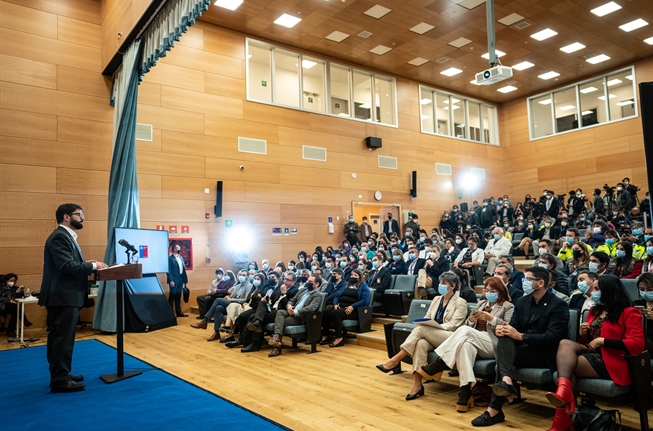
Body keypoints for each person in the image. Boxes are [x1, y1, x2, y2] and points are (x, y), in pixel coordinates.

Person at [471, 266, 569, 427]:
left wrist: (521, 336)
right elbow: (514, 327)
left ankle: (495, 408)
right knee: (503, 337)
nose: (523, 282)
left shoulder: (558, 305)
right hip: (522, 350)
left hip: (544, 353)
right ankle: (506, 383)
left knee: (503, 361)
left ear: (541, 283)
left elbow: (552, 338)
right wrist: (504, 329)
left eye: (528, 279)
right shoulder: (523, 301)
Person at [544, 274, 644, 430]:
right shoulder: (594, 311)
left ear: (609, 290)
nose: (593, 292)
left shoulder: (629, 312)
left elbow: (637, 344)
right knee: (564, 343)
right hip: (593, 354)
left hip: (613, 359)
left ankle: (562, 419)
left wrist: (603, 341)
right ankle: (564, 395)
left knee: (565, 370)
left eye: (597, 289)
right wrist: (583, 333)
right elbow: (586, 342)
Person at [39, 203, 108, 393]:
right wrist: (93, 266)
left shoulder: (66, 236)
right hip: (63, 297)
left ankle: (61, 373)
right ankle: (60, 379)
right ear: (66, 217)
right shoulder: (60, 237)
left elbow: (70, 264)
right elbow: (67, 267)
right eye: (79, 214)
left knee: (60, 338)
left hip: (64, 296)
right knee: (62, 339)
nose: (83, 217)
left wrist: (89, 263)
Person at [419, 277, 514, 412]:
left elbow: (508, 328)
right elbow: (467, 326)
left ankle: (440, 363)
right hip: (474, 339)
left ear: (500, 292)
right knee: (464, 346)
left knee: (464, 331)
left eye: (492, 291)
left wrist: (491, 319)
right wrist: (470, 319)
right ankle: (465, 392)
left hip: (493, 342)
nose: (488, 293)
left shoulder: (508, 306)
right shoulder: (481, 303)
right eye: (486, 290)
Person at [375, 271, 468, 401]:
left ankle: (395, 359)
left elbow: (454, 324)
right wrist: (427, 323)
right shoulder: (436, 299)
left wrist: (434, 327)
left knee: (421, 330)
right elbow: (427, 317)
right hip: (433, 335)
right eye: (440, 282)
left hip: (450, 337)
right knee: (420, 344)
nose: (440, 285)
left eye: (444, 283)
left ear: (452, 286)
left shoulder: (461, 302)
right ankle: (417, 385)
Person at [268, 275, 323, 357]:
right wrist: (289, 306)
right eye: (308, 281)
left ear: (317, 284)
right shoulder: (303, 290)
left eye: (311, 282)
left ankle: (277, 347)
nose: (308, 283)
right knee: (280, 312)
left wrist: (296, 312)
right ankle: (277, 339)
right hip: (291, 311)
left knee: (281, 321)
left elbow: (311, 308)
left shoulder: (318, 295)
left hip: (300, 317)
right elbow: (292, 300)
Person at [190, 269, 252, 341]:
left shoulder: (249, 286)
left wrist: (231, 299)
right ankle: (216, 333)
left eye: (244, 275)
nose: (241, 276)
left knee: (218, 300)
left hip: (238, 305)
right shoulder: (238, 286)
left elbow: (245, 299)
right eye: (241, 275)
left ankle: (205, 320)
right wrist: (229, 297)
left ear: (247, 277)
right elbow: (232, 295)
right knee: (218, 308)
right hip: (232, 303)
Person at [320, 269, 370, 347]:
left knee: (335, 314)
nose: (353, 276)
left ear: (360, 277)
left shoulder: (364, 286)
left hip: (354, 310)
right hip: (340, 306)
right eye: (352, 275)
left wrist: (352, 306)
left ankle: (339, 338)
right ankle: (325, 335)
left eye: (355, 275)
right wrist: (335, 304)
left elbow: (365, 301)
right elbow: (336, 296)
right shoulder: (345, 285)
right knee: (326, 312)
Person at [0, 273, 31, 337]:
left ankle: (10, 331)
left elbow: (19, 298)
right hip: (2, 305)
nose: (13, 282)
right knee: (14, 307)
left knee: (15, 312)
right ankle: (24, 320)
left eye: (14, 281)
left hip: (13, 307)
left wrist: (21, 292)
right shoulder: (1, 288)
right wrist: (8, 300)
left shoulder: (15, 288)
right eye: (11, 281)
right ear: (6, 280)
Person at [167, 243, 189, 317]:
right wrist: (170, 280)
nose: (180, 249)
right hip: (174, 280)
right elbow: (168, 270)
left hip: (180, 279)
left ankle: (179, 312)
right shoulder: (170, 258)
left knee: (178, 296)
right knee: (172, 296)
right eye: (178, 248)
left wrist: (184, 281)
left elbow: (183, 269)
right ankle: (170, 312)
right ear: (174, 249)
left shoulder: (181, 258)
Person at [635, 273, 653, 352]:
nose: (645, 292)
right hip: (637, 336)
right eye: (642, 289)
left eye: (649, 289)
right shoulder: (636, 304)